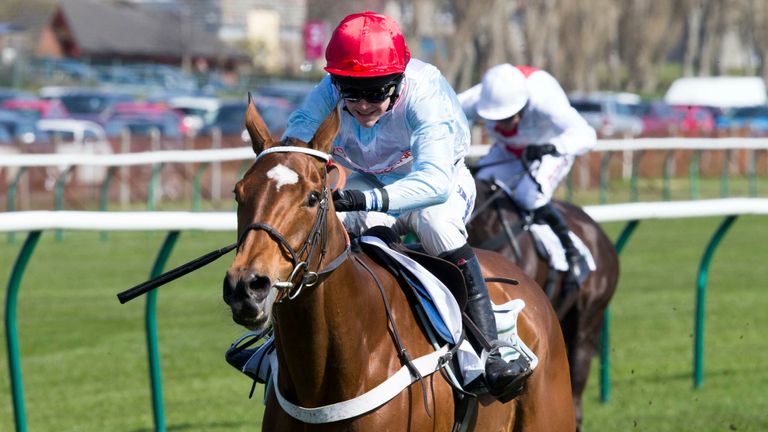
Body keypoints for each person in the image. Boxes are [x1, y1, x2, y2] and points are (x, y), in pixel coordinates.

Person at [282, 11, 530, 401]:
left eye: (378, 91)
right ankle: (278, 342)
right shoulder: (329, 89)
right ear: (336, 81)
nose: (363, 105)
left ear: (398, 80)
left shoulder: (424, 91)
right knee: (323, 226)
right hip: (370, 179)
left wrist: (366, 198)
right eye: (352, 91)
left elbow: (433, 182)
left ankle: (491, 350)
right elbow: (292, 145)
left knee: (434, 222)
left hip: (438, 182)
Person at [458, 63, 597, 308]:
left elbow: (586, 135)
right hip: (508, 152)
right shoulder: (480, 96)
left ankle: (572, 250)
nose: (501, 126)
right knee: (471, 188)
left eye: (508, 118)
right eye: (495, 120)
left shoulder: (545, 99)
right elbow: (442, 111)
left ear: (523, 106)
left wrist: (552, 148)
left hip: (549, 149)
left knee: (529, 196)